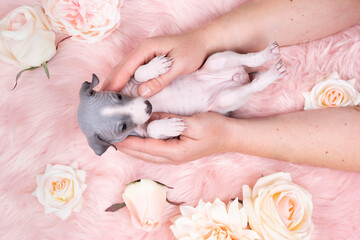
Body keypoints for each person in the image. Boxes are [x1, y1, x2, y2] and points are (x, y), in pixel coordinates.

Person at [102, 0, 360, 172]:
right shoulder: (140, 126)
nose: (132, 110)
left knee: (220, 61)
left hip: (207, 77)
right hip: (213, 96)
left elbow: (141, 78)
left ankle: (254, 60)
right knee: (222, 75)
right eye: (124, 123)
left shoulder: (133, 90)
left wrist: (149, 70)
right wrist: (203, 41)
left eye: (117, 102)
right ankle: (259, 80)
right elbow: (152, 132)